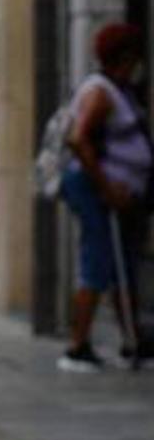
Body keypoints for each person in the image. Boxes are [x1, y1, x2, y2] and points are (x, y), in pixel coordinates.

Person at [59, 23, 153, 372]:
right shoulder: (101, 91)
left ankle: (133, 341)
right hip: (95, 189)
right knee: (97, 260)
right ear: (125, 57)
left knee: (120, 265)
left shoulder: (119, 89)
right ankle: (77, 346)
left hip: (114, 192)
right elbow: (78, 139)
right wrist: (107, 187)